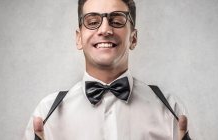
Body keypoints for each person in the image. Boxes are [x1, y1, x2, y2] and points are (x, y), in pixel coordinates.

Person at [23, 0, 191, 139]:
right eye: (93, 22)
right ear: (79, 38)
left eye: (117, 21)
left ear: (133, 38)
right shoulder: (46, 114)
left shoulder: (171, 109)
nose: (104, 30)